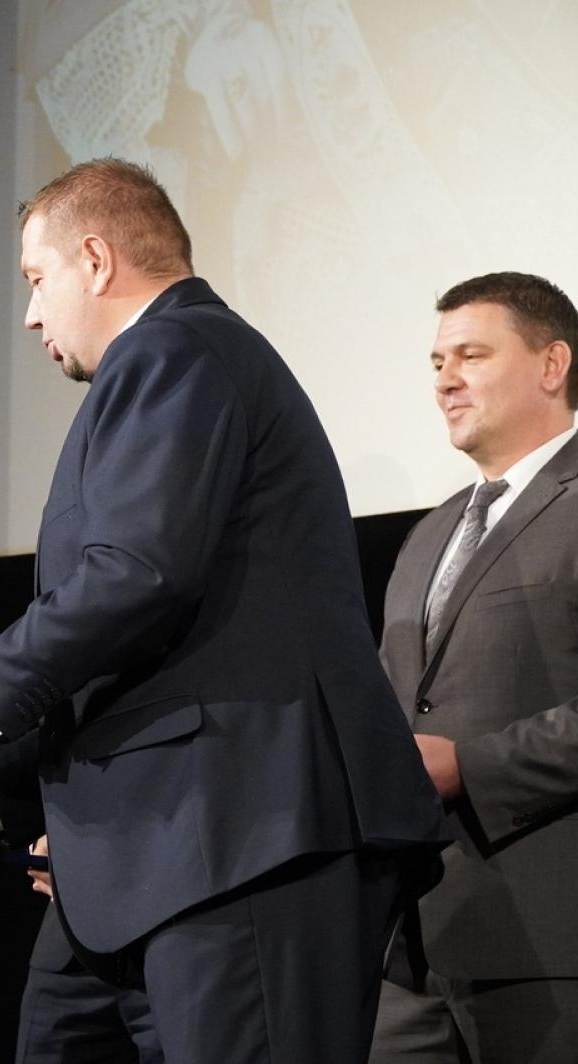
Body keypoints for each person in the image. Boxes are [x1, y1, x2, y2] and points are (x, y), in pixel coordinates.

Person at [0, 159, 449, 1063]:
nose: (29, 314)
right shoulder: (172, 364)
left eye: (35, 279)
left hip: (243, 841)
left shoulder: (175, 349)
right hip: (152, 861)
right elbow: (158, 647)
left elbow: (139, 576)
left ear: (95, 259)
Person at [369, 272, 578, 1064]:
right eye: (435, 362)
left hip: (549, 949)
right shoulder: (428, 537)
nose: (445, 379)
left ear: (551, 365)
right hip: (407, 948)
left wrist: (473, 767)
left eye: (470, 355)